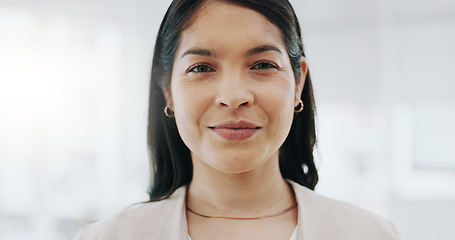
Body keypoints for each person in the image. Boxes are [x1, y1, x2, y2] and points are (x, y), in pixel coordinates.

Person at [73, 0, 400, 239]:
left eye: (262, 65)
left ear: (298, 82)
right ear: (167, 91)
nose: (233, 96)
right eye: (201, 68)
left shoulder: (370, 234)